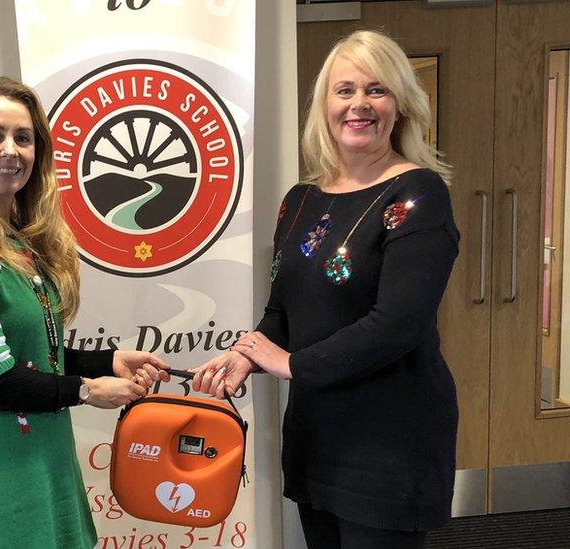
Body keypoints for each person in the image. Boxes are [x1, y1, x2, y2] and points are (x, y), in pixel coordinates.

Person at [194, 30, 458, 548]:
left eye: (376, 90)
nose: (359, 104)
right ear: (325, 105)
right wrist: (246, 353)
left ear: (400, 104)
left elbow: (397, 324)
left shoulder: (419, 194)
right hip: (318, 434)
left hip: (389, 442)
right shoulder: (299, 200)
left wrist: (290, 366)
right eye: (345, 90)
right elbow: (282, 311)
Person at [0, 76, 170, 548]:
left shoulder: (16, 244)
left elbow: (33, 352)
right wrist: (87, 390)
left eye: (23, 138)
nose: (10, 150)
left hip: (42, 455)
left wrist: (104, 361)